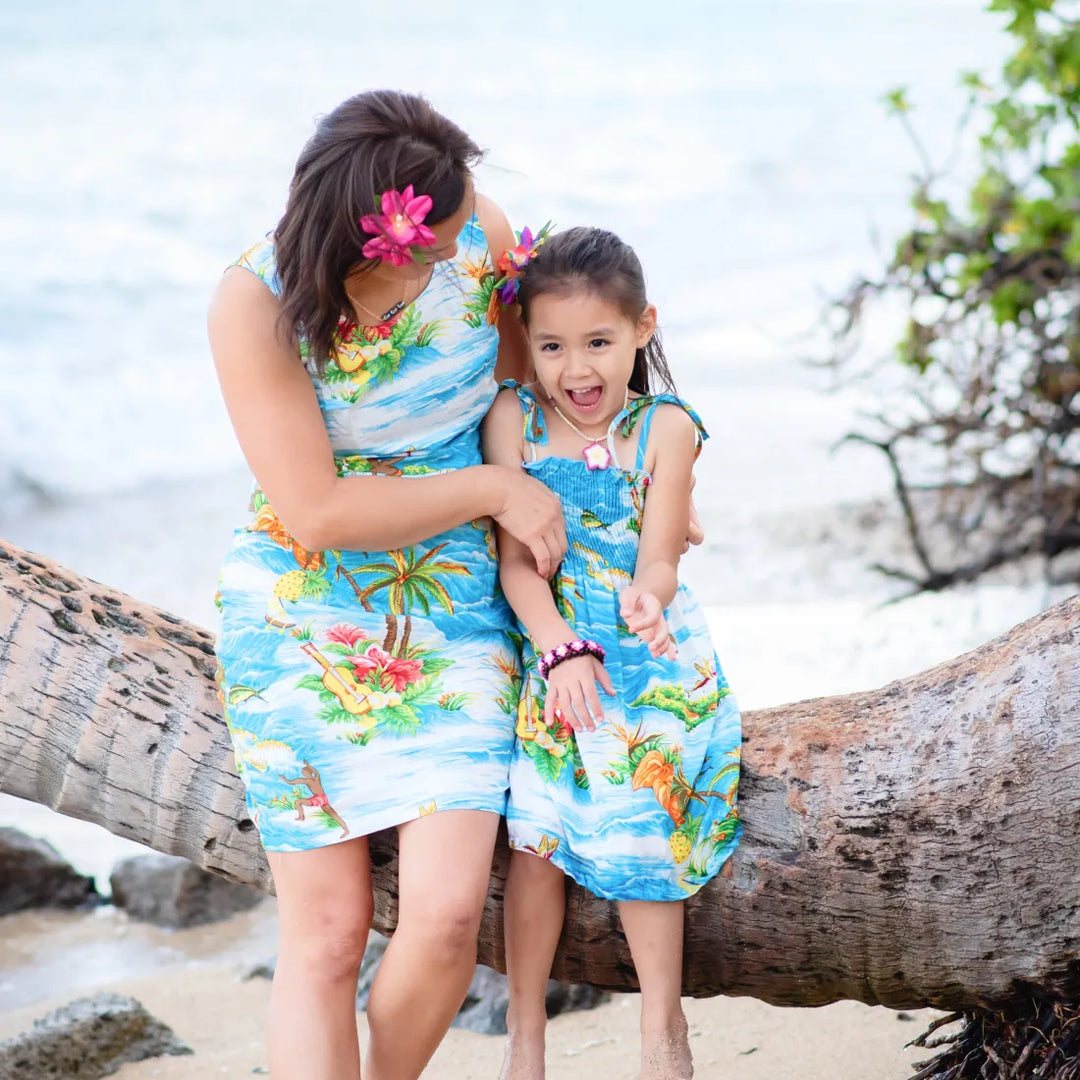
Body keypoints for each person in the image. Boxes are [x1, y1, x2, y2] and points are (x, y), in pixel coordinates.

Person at [208, 89, 569, 1080]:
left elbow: (528, 386)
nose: (461, 251)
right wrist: (495, 486)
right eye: (440, 236)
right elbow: (315, 511)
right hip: (304, 603)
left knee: (450, 919)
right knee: (325, 939)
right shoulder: (255, 301)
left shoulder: (479, 238)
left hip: (450, 590)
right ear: (386, 235)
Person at [481, 227, 742, 1080]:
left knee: (638, 812)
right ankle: (526, 1040)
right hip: (555, 648)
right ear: (528, 343)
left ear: (643, 329)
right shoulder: (512, 422)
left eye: (598, 342)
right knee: (535, 835)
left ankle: (662, 1031)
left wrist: (648, 599)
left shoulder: (666, 428)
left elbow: (660, 556)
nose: (577, 369)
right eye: (552, 346)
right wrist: (562, 652)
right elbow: (518, 568)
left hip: (649, 652)